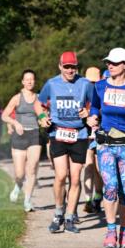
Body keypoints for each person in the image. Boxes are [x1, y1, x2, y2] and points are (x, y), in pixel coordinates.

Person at [89, 47, 125, 248]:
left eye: (114, 63)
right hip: (105, 144)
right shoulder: (100, 86)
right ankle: (110, 230)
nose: (110, 66)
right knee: (111, 186)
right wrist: (92, 116)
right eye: (108, 62)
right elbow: (95, 106)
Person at [38, 52, 95, 234]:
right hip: (58, 133)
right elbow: (39, 103)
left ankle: (70, 217)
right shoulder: (52, 84)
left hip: (79, 134)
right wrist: (42, 117)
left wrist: (89, 114)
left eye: (73, 67)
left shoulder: (85, 83)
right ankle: (58, 213)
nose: (70, 70)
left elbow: (95, 105)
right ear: (60, 66)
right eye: (67, 67)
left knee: (76, 178)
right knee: (61, 175)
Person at [1, 70, 45, 212]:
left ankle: (27, 201)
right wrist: (15, 123)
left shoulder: (39, 98)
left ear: (34, 81)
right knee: (20, 173)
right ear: (22, 82)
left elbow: (43, 114)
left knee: (31, 170)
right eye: (27, 79)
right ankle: (18, 185)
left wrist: (44, 119)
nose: (29, 82)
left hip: (34, 135)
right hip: (19, 135)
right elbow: (4, 116)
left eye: (32, 79)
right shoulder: (17, 98)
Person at [82, 67, 104, 214]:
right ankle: (88, 199)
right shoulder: (80, 93)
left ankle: (98, 195)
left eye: (95, 82)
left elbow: (106, 111)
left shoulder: (102, 92)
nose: (92, 85)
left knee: (99, 168)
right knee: (89, 166)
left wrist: (95, 115)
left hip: (100, 133)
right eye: (90, 82)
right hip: (85, 134)